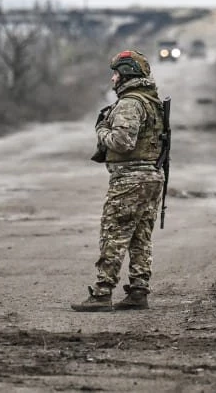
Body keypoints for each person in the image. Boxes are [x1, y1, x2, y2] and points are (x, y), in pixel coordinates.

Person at [72, 49, 166, 312]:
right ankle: (138, 291)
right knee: (140, 237)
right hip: (151, 177)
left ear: (126, 74)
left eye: (115, 73)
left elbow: (123, 142)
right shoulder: (150, 101)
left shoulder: (130, 103)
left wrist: (102, 130)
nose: (113, 79)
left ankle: (102, 294)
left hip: (130, 179)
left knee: (113, 234)